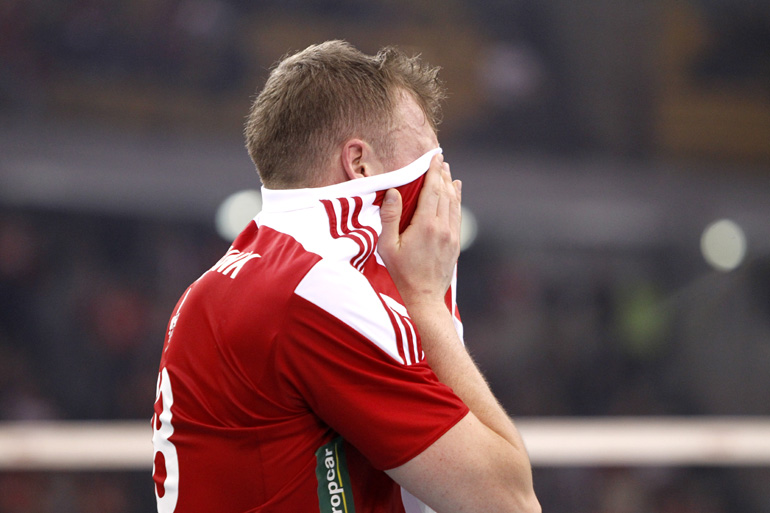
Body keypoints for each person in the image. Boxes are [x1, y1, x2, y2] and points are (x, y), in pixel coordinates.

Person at [152, 40, 540, 513]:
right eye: (429, 157)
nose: (441, 180)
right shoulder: (315, 288)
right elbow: (508, 502)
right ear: (359, 163)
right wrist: (425, 299)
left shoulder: (246, 270)